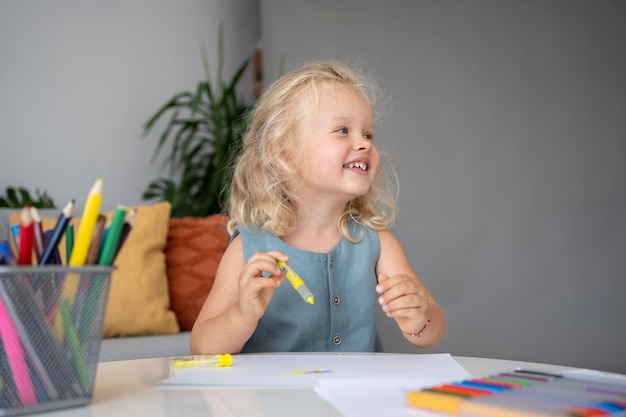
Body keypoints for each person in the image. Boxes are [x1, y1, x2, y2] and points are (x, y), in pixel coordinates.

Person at [190, 61, 446, 354]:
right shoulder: (249, 249)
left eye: (368, 134)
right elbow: (201, 346)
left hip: (354, 398)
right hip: (275, 399)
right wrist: (242, 315)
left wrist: (418, 316)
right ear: (283, 152)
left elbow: (430, 332)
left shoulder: (378, 242)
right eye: (342, 130)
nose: (363, 144)